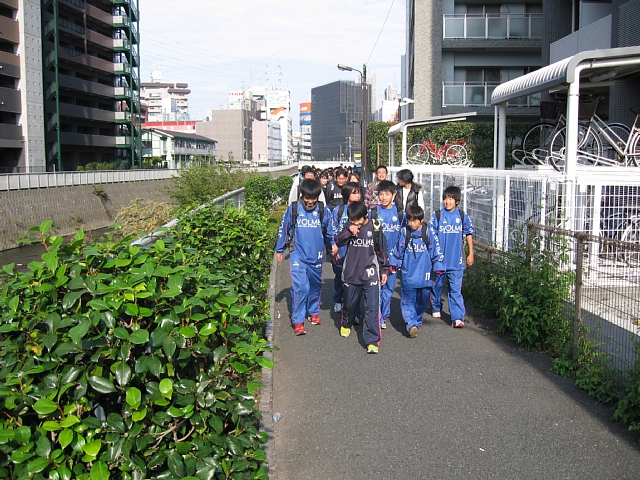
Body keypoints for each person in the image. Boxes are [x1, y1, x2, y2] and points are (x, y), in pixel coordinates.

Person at [275, 179, 337, 335]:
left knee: (315, 286)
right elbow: (284, 228)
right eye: (307, 197)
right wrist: (279, 249)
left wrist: (333, 245)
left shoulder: (322, 209)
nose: (310, 201)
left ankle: (313, 312)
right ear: (302, 195)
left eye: (313, 198)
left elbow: (330, 230)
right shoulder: (294, 208)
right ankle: (298, 320)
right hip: (298, 254)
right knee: (301, 287)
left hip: (316, 255)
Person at [335, 201, 389, 354]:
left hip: (370, 274)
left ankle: (372, 340)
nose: (355, 223)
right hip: (351, 274)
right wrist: (349, 231)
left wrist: (384, 270)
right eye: (352, 220)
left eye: (357, 220)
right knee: (350, 305)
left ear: (365, 216)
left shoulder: (375, 227)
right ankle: (347, 322)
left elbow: (382, 250)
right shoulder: (348, 226)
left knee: (372, 308)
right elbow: (338, 241)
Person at [427, 185, 475, 328]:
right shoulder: (437, 215)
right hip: (439, 261)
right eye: (446, 198)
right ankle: (436, 306)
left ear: (457, 201)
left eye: (451, 199)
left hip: (456, 261)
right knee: (437, 286)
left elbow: (468, 233)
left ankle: (457, 317)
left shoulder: (462, 216)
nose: (447, 202)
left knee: (455, 290)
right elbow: (430, 235)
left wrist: (471, 253)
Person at [389, 205, 437, 338]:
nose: (412, 223)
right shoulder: (405, 232)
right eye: (409, 220)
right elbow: (398, 250)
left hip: (425, 275)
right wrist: (394, 263)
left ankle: (416, 320)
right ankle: (411, 324)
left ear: (421, 220)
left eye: (415, 220)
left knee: (422, 301)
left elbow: (435, 251)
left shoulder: (428, 232)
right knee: (408, 301)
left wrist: (438, 266)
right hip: (408, 273)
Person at [369, 180, 404, 329]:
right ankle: (375, 316)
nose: (383, 197)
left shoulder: (400, 214)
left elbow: (403, 237)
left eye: (387, 194)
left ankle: (382, 317)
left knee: (388, 290)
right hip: (376, 259)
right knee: (375, 289)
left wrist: (400, 258)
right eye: (381, 194)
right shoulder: (373, 212)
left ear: (394, 195)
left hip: (393, 260)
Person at [330, 182, 362, 313]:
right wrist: (333, 247)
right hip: (341, 250)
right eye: (354, 193)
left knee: (355, 280)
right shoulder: (338, 210)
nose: (357, 195)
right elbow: (332, 230)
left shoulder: (363, 210)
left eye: (359, 192)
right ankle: (338, 300)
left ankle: (355, 309)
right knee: (339, 277)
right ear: (347, 194)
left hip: (357, 250)